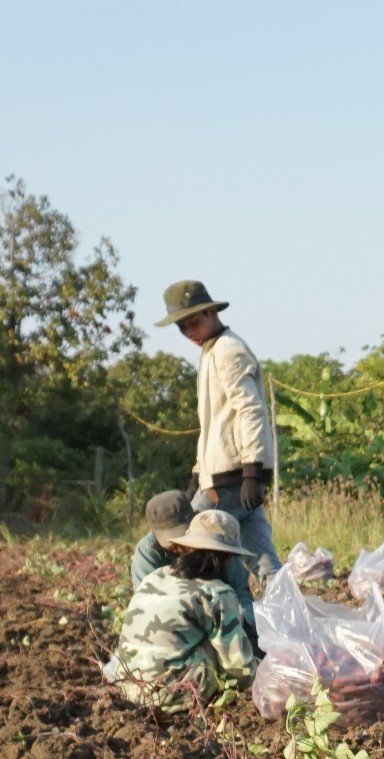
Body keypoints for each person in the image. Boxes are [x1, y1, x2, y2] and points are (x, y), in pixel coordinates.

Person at [155, 279, 280, 572]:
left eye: (193, 323)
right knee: (264, 564)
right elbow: (214, 423)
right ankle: (287, 615)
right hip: (226, 476)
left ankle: (176, 611)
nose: (189, 333)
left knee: (183, 546)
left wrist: (253, 472)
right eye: (182, 327)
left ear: (212, 313)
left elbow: (250, 410)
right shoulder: (211, 349)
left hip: (231, 479)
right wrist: (199, 473)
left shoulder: (228, 351)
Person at [102, 507, 259, 705]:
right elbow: (239, 670)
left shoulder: (154, 578)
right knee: (218, 650)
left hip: (128, 686)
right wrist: (263, 669)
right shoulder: (216, 593)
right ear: (227, 557)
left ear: (187, 548)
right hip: (167, 695)